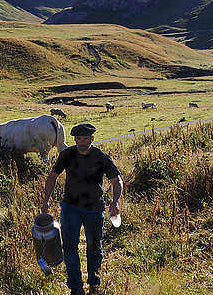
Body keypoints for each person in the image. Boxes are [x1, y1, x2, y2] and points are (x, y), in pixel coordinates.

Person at [41, 123, 123, 295]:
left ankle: (94, 282)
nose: (82, 142)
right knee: (70, 247)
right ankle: (76, 287)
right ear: (75, 139)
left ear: (92, 139)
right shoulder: (67, 155)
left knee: (94, 246)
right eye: (79, 139)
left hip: (94, 208)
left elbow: (117, 181)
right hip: (70, 207)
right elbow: (53, 176)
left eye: (85, 138)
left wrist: (115, 202)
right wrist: (46, 201)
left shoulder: (101, 157)